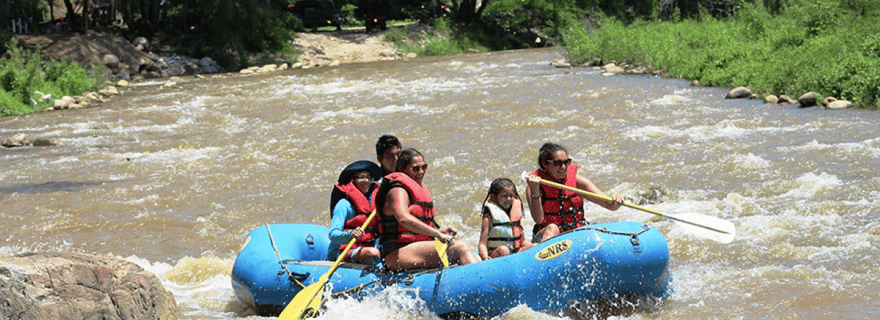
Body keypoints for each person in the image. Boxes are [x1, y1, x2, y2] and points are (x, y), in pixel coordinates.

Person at [376, 148, 481, 271]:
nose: (421, 171)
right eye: (415, 168)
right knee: (460, 248)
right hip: (396, 254)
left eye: (423, 167)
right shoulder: (397, 190)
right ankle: (481, 279)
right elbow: (404, 219)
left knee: (474, 255)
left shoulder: (417, 189)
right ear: (402, 169)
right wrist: (437, 234)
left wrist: (441, 231)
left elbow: (417, 230)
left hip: (415, 248)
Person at [525, 142, 625, 243]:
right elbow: (538, 219)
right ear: (545, 164)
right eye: (558, 163)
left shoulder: (577, 181)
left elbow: (610, 205)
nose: (563, 167)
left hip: (574, 233)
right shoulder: (534, 185)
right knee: (552, 228)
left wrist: (616, 202)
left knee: (594, 227)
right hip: (548, 235)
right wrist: (535, 191)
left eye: (566, 162)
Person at [328, 160, 383, 265]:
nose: (366, 181)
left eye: (369, 178)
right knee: (373, 253)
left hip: (365, 249)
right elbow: (332, 234)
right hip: (342, 252)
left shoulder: (374, 204)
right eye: (362, 177)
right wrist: (350, 234)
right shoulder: (343, 205)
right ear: (352, 180)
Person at [478, 178, 535, 260]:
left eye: (511, 196)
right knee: (503, 250)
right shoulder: (489, 216)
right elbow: (482, 244)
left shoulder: (514, 215)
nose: (509, 199)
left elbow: (523, 241)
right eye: (505, 196)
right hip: (496, 254)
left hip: (515, 252)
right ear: (494, 197)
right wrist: (485, 258)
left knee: (533, 246)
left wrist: (534, 246)